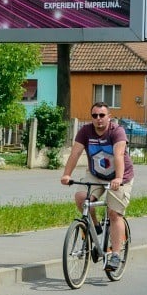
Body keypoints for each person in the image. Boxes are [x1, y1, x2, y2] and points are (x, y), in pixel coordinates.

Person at [60, 102, 133, 272]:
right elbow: (75, 153)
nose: (98, 119)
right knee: (81, 198)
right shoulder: (86, 131)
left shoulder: (117, 131)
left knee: (114, 213)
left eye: (102, 115)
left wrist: (119, 178)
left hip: (120, 177)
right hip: (96, 175)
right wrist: (66, 174)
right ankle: (96, 227)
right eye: (95, 115)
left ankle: (115, 255)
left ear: (109, 116)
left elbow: (119, 154)